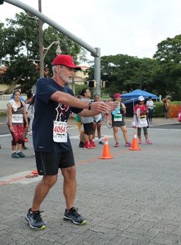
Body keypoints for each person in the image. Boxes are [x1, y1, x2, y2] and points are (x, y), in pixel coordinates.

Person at [26, 54, 115, 230]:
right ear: (58, 68)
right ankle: (33, 212)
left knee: (71, 172)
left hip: (61, 137)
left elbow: (81, 112)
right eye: (69, 69)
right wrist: (90, 104)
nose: (72, 73)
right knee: (50, 178)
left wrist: (102, 109)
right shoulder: (44, 84)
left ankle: (70, 210)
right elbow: (59, 98)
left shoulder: (69, 91)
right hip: (46, 137)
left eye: (73, 70)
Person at [7, 90, 28, 158]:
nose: (17, 96)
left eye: (19, 95)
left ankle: (19, 151)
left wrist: (26, 123)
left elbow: (24, 114)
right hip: (13, 123)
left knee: (20, 137)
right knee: (15, 137)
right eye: (16, 95)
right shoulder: (11, 104)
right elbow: (9, 115)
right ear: (13, 96)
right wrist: (10, 125)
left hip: (20, 123)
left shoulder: (23, 103)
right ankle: (13, 152)